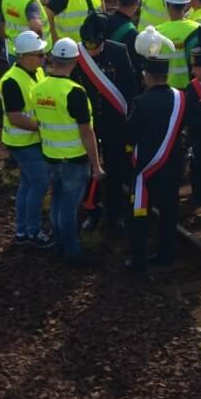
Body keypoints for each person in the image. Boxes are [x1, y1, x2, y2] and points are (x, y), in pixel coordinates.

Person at [33, 37, 103, 267]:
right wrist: (96, 164)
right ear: (75, 61)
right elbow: (86, 132)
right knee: (69, 208)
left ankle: (58, 242)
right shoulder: (75, 92)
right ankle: (71, 250)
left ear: (53, 58)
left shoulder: (39, 88)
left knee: (56, 201)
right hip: (73, 158)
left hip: (50, 156)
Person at [127, 29, 188, 274]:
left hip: (147, 169)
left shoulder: (141, 103)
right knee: (169, 212)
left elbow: (130, 135)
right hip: (172, 166)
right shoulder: (181, 98)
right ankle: (166, 253)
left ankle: (139, 260)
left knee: (140, 214)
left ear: (147, 76)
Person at [77, 12, 138, 235]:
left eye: (95, 45)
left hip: (114, 122)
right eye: (87, 45)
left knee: (115, 169)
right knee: (87, 168)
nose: (91, 50)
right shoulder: (77, 55)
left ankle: (115, 213)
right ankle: (91, 211)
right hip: (87, 124)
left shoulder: (118, 52)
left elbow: (130, 88)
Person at [0, 30, 51, 249]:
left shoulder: (36, 72)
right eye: (39, 54)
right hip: (23, 142)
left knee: (28, 184)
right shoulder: (11, 81)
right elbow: (16, 117)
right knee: (39, 183)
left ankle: (22, 230)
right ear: (24, 56)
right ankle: (32, 231)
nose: (43, 58)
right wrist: (45, 127)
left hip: (30, 140)